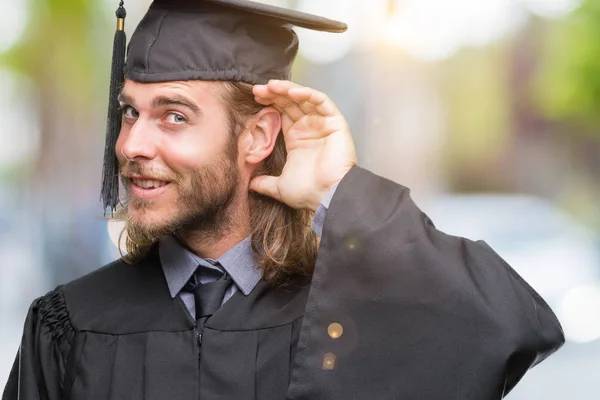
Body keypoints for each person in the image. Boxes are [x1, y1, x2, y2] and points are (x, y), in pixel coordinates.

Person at [3, 0, 564, 399]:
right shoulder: (69, 326)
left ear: (257, 137)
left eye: (173, 116)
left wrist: (341, 193)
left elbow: (510, 326)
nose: (131, 144)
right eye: (130, 112)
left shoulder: (349, 318)